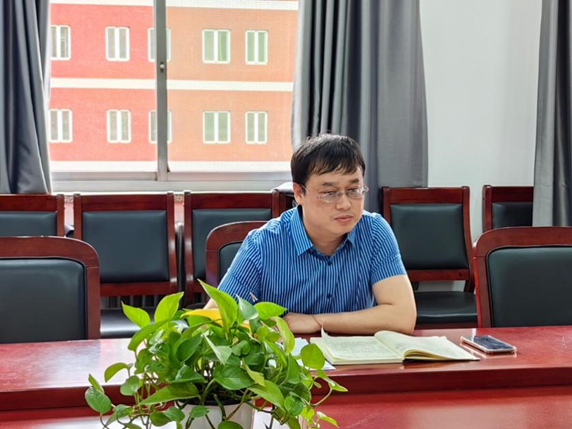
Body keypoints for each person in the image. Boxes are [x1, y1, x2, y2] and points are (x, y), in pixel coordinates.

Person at [206, 133, 416, 335]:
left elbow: (402, 316)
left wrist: (316, 321)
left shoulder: (374, 231)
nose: (345, 204)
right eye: (329, 193)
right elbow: (213, 320)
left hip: (355, 356)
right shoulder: (262, 244)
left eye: (354, 190)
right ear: (299, 193)